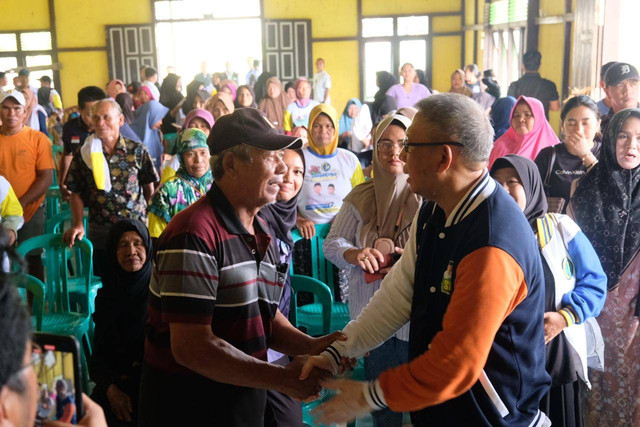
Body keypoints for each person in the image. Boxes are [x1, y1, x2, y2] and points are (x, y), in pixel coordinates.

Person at [301, 93, 551, 426]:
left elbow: (456, 364)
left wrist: (367, 396)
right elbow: (398, 294)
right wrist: (339, 351)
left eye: (410, 146)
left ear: (443, 158)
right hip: (443, 411)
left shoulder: (493, 244)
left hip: (491, 417)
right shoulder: (436, 209)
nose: (400, 157)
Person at [137, 108, 344, 426]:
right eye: (270, 156)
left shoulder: (261, 227)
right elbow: (193, 347)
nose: (282, 168)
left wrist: (314, 345)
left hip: (240, 399)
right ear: (231, 164)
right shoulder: (194, 232)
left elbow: (264, 314)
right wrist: (281, 378)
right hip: (191, 407)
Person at [490, 154, 607, 427]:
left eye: (513, 181)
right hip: (505, 361)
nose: (504, 189)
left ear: (530, 186)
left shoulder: (560, 227)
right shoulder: (488, 232)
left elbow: (595, 282)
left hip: (553, 357)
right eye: (496, 183)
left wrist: (564, 318)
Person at [323, 113, 421, 427]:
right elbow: (332, 243)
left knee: (422, 401)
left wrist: (410, 257)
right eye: (385, 144)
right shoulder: (359, 196)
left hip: (413, 317)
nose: (394, 153)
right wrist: (354, 253)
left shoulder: (426, 196)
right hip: (370, 315)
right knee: (383, 406)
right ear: (374, 149)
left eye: (403, 145)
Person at [569, 108, 640, 426]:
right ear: (610, 139)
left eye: (639, 138)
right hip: (595, 309)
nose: (631, 145)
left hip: (637, 313)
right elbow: (570, 255)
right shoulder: (586, 189)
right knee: (596, 386)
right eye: (623, 135)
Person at [63, 99, 159, 276]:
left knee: (138, 279)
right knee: (106, 283)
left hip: (135, 229)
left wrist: (150, 223)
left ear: (120, 120)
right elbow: (75, 192)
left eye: (106, 117)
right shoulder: (85, 154)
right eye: (96, 118)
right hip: (102, 229)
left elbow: (148, 190)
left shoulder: (137, 151)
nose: (100, 123)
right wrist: (78, 223)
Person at [259, 148, 306, 427]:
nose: (290, 177)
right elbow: (263, 299)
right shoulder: (259, 220)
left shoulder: (283, 219)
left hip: (275, 339)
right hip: (257, 342)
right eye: (282, 167)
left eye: (298, 171)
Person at [90, 219, 152, 426]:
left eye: (138, 243)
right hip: (115, 384)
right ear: (112, 253)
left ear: (148, 248)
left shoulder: (161, 293)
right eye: (123, 245)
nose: (131, 251)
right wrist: (111, 390)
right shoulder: (107, 297)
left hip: (153, 385)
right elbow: (98, 356)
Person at [0, 90, 53, 280]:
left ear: (25, 112)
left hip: (32, 209)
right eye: (5, 108)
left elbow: (46, 178)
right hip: (1, 212)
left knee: (33, 261)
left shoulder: (38, 139)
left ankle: (35, 306)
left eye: (16, 108)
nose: (11, 114)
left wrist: (20, 204)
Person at [296, 104, 365, 238]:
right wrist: (298, 219)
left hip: (344, 231)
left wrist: (345, 218)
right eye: (317, 126)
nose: (323, 131)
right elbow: (284, 197)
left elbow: (361, 198)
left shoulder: (350, 159)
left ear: (336, 128)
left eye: (328, 126)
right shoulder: (298, 157)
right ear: (309, 127)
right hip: (305, 235)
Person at [534, 95, 601, 213]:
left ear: (598, 125)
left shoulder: (607, 155)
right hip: (556, 229)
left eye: (585, 123)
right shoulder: (548, 156)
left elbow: (610, 191)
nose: (579, 130)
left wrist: (585, 154)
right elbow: (533, 196)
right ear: (562, 126)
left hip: (595, 229)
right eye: (571, 123)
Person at [148, 129, 213, 238]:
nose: (198, 160)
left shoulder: (221, 184)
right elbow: (156, 239)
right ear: (180, 158)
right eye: (190, 154)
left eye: (203, 152)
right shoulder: (166, 192)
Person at [59, 86, 106, 197]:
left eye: (99, 113)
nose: (97, 121)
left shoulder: (111, 126)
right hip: (81, 180)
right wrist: (63, 183)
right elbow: (68, 155)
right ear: (79, 110)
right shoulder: (70, 128)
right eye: (90, 115)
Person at [488, 95, 559, 168]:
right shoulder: (500, 146)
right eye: (516, 115)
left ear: (538, 118)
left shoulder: (553, 151)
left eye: (527, 115)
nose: (521, 119)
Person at [507, 50, 560, 120]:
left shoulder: (514, 85)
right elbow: (555, 107)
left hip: (520, 125)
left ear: (523, 66)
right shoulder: (549, 85)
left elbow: (510, 107)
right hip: (541, 125)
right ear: (540, 65)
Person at [600, 62, 640, 134]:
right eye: (620, 85)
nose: (627, 91)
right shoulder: (599, 127)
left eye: (633, 84)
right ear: (607, 92)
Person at [130, 99, 169, 172]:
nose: (161, 122)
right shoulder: (131, 135)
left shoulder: (157, 133)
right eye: (159, 118)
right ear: (151, 116)